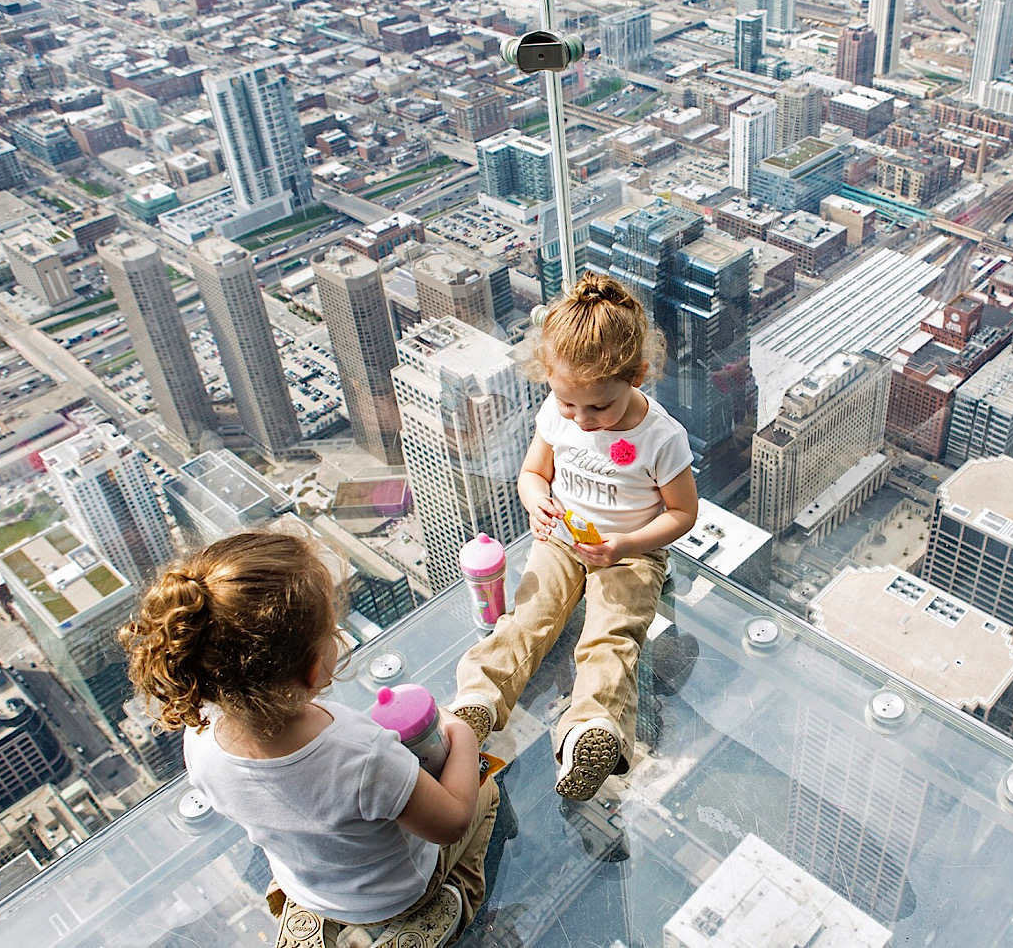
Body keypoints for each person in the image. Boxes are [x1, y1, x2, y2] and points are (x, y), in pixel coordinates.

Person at [120, 527, 499, 948]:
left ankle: (309, 922)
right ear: (313, 668)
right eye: (332, 632)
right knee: (486, 795)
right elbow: (450, 823)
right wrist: (462, 735)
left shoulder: (200, 739)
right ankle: (442, 910)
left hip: (310, 884)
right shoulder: (360, 753)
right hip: (397, 894)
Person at [452, 272, 699, 802]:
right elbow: (532, 474)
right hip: (563, 539)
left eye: (598, 408)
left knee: (611, 634)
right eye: (568, 404)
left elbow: (682, 515)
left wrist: (622, 547)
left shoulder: (661, 437)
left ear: (636, 377)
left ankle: (593, 728)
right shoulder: (557, 415)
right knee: (530, 616)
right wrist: (535, 500)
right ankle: (477, 698)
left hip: (628, 553)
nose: (582, 421)